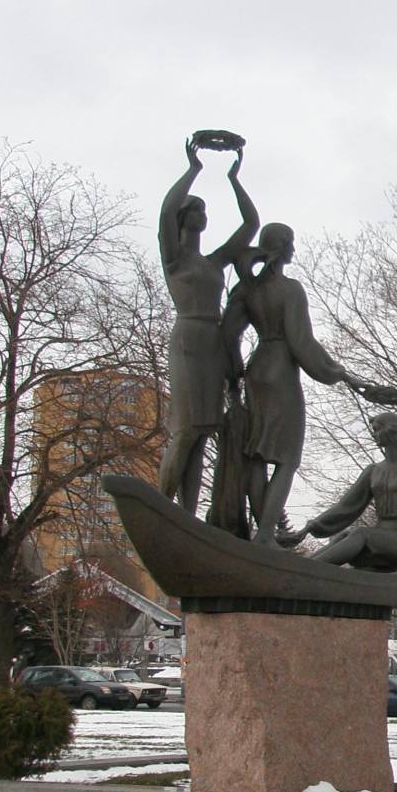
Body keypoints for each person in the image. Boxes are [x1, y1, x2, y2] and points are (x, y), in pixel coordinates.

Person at [223, 223, 397, 541]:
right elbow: (301, 343)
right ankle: (265, 536)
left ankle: (261, 533)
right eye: (291, 243)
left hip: (257, 369)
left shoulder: (247, 289)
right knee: (287, 459)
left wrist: (235, 374)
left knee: (256, 454)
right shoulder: (290, 289)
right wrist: (339, 373)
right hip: (281, 372)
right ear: (281, 247)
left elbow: (228, 335)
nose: (294, 249)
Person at [157, 137, 258, 512]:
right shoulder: (175, 259)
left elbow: (251, 224)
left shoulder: (214, 262)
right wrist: (193, 169)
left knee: (202, 433)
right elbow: (166, 211)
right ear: (185, 218)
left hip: (213, 342)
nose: (203, 215)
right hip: (188, 338)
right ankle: (162, 508)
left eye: (204, 209)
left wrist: (234, 179)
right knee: (185, 429)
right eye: (197, 209)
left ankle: (185, 516)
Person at [296, 412, 397, 570]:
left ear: (390, 430)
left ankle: (306, 570)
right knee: (346, 534)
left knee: (361, 533)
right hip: (380, 533)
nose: (373, 434)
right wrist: (310, 528)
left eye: (376, 429)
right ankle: (302, 566)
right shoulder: (373, 471)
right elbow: (346, 506)